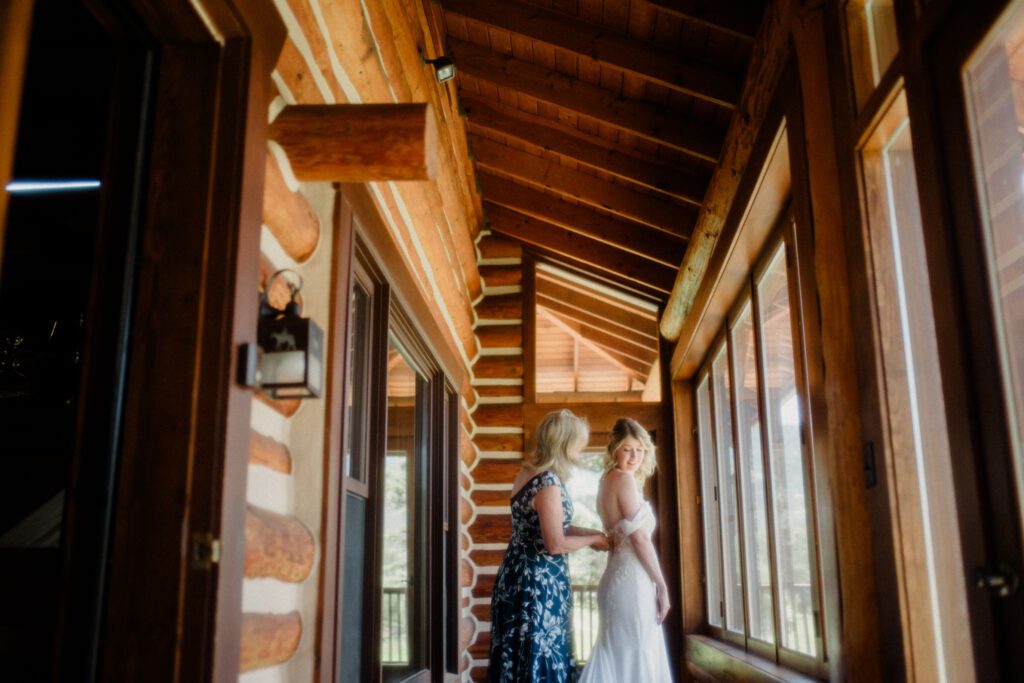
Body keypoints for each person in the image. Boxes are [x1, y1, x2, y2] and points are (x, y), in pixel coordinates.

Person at [488, 409, 610, 683]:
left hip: (517, 577)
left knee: (518, 655)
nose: (581, 450)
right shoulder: (548, 483)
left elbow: (551, 527)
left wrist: (592, 533)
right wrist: (593, 539)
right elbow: (554, 543)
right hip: (537, 585)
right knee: (538, 655)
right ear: (565, 444)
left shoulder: (528, 473)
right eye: (578, 443)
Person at [578, 418, 672, 682]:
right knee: (637, 652)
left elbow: (616, 536)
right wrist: (662, 586)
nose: (634, 456)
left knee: (622, 653)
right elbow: (640, 539)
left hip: (617, 578)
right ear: (614, 450)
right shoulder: (624, 480)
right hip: (632, 582)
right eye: (628, 449)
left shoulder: (606, 480)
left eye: (640, 449)